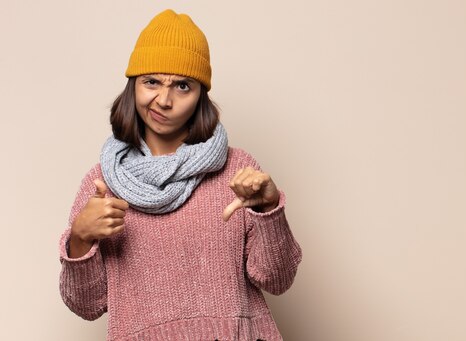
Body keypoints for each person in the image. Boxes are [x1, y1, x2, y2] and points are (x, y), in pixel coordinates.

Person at [58, 9, 302, 341]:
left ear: (200, 95)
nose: (164, 100)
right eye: (151, 82)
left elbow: (278, 279)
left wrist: (268, 209)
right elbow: (86, 306)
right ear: (133, 86)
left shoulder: (237, 171)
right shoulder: (103, 184)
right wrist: (80, 239)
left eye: (182, 86)